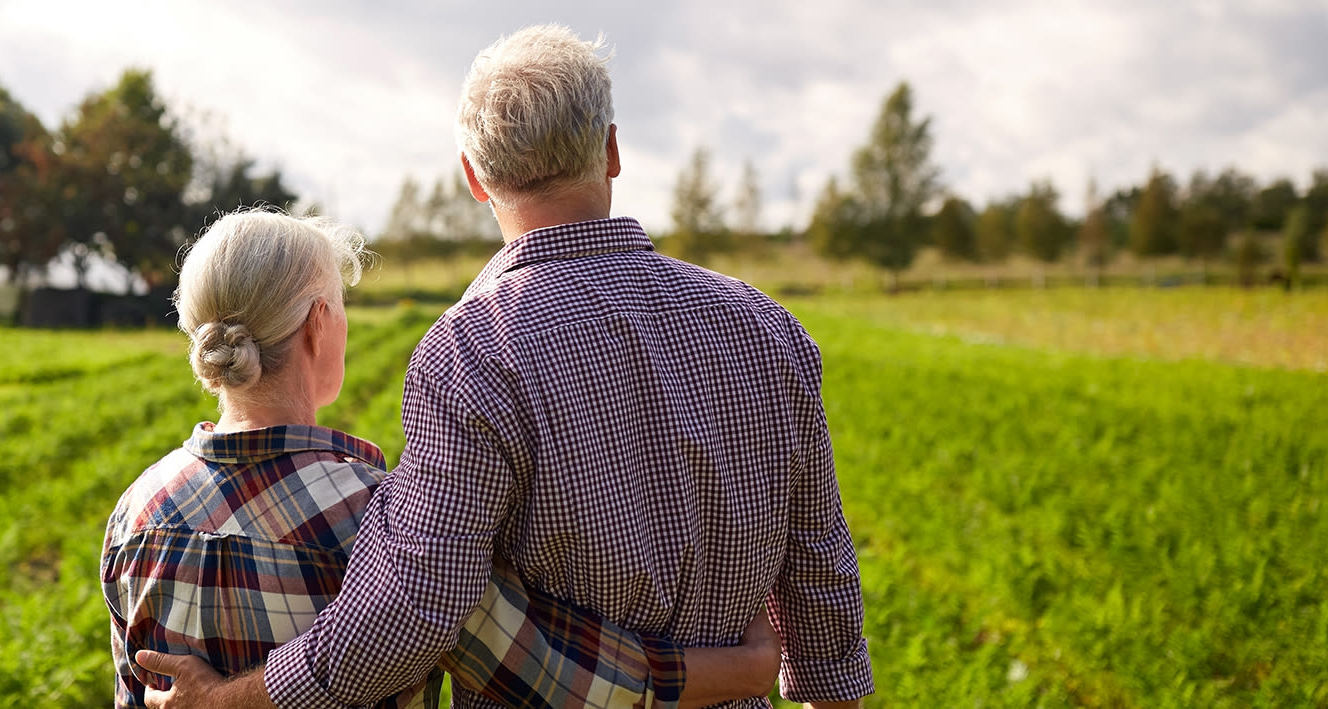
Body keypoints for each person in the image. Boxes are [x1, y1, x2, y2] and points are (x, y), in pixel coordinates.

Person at [137, 25, 874, 709]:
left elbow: (413, 611)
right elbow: (821, 575)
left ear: (474, 177)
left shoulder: (471, 353)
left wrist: (227, 699)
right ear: (612, 150)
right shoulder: (767, 328)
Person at [104, 210, 785, 709]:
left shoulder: (136, 513)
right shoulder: (380, 516)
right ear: (317, 325)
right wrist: (745, 668)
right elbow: (557, 674)